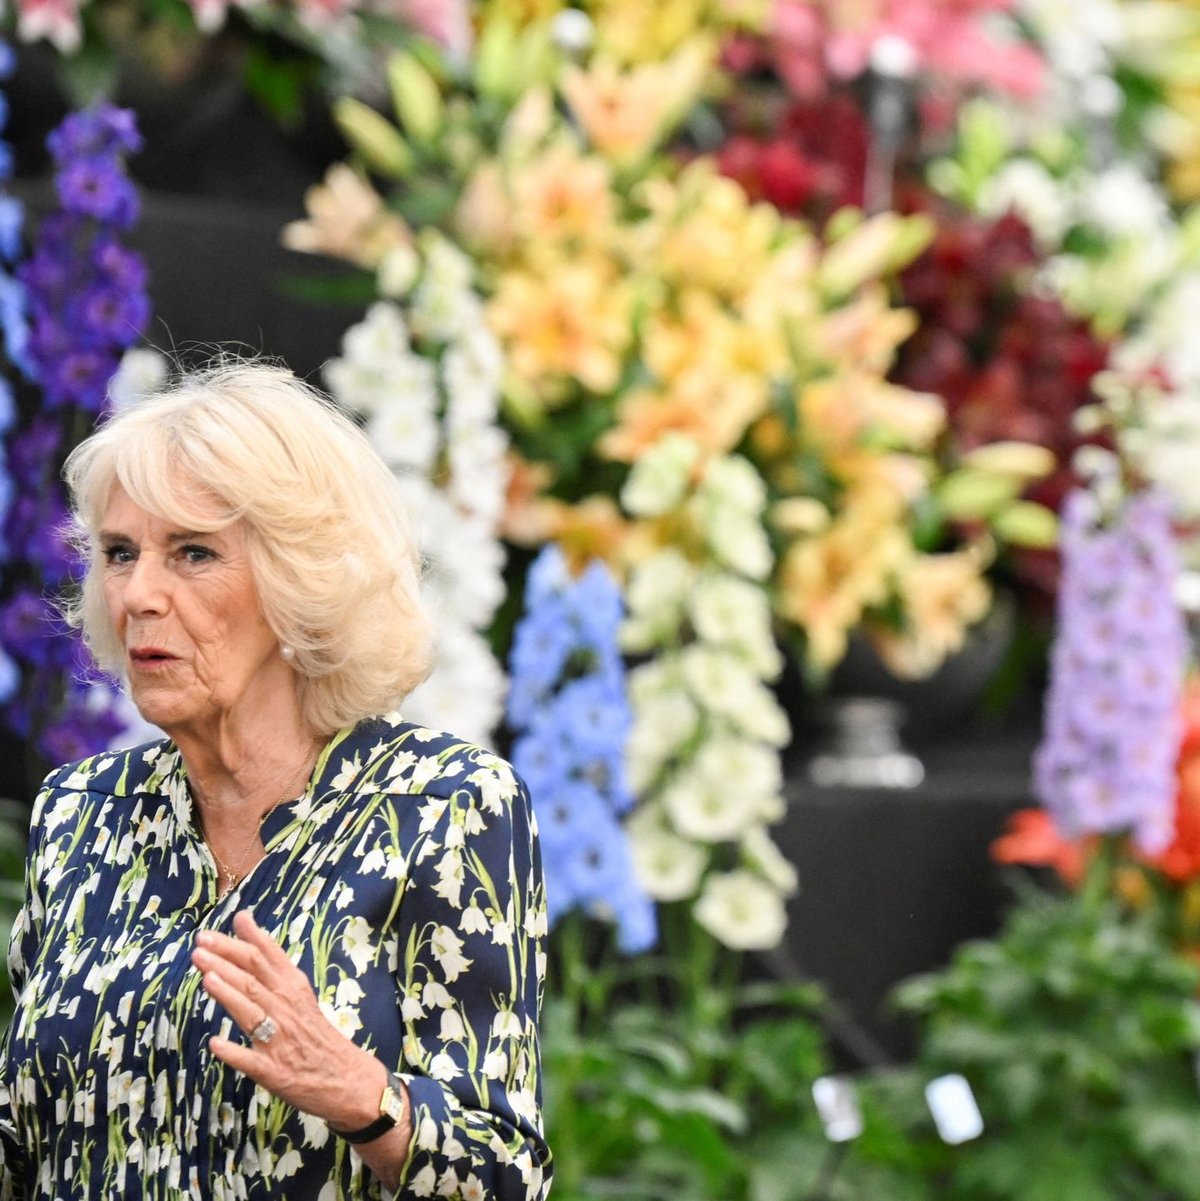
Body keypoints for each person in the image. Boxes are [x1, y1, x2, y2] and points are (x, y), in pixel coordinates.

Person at [0, 362, 551, 1200]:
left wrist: (361, 1095)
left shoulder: (441, 808)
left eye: (192, 552)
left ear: (301, 580)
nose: (137, 593)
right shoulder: (81, 812)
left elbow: (507, 1176)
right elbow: (25, 1137)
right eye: (119, 553)